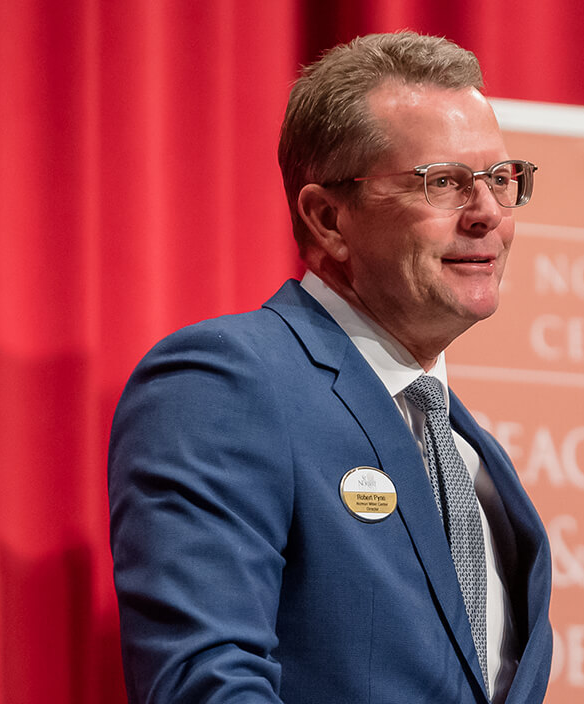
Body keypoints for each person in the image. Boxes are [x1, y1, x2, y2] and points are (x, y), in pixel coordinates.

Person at [108, 31, 552, 704]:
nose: (487, 213)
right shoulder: (224, 384)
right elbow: (206, 683)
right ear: (327, 218)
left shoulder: (470, 452)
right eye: (444, 183)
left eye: (498, 179)